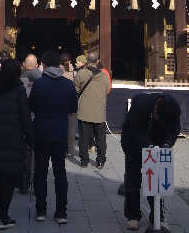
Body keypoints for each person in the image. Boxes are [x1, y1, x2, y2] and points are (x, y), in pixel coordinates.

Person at [0, 58, 34, 230]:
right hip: (13, 138)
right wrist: (30, 137)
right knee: (9, 179)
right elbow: (25, 116)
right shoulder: (18, 90)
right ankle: (4, 215)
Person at [28, 49, 78, 224]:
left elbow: (31, 105)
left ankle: (41, 210)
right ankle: (61, 212)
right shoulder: (68, 84)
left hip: (41, 131)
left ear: (44, 65)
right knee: (60, 172)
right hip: (60, 132)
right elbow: (73, 109)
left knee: (40, 172)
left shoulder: (39, 84)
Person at [121, 92, 181, 230]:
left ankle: (157, 216)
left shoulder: (173, 107)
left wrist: (167, 144)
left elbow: (174, 129)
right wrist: (148, 145)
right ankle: (133, 215)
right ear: (155, 110)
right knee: (133, 178)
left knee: (154, 179)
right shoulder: (141, 104)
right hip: (133, 141)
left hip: (157, 141)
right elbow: (134, 129)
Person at [74, 52, 111, 168]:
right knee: (100, 139)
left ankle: (84, 161)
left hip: (84, 110)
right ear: (97, 61)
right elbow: (107, 90)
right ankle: (100, 161)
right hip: (99, 111)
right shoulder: (104, 75)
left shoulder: (81, 73)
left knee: (84, 138)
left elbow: (76, 89)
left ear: (87, 61)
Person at [19, 53, 42, 194]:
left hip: (22, 120)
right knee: (39, 154)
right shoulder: (42, 79)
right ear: (37, 64)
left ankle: (23, 183)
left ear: (24, 64)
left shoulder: (17, 78)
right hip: (38, 120)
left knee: (24, 153)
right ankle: (38, 184)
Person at [60, 52, 78, 158]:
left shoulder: (58, 73)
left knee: (61, 125)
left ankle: (61, 146)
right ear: (70, 61)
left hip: (60, 102)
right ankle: (70, 149)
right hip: (71, 102)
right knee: (71, 128)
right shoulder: (74, 73)